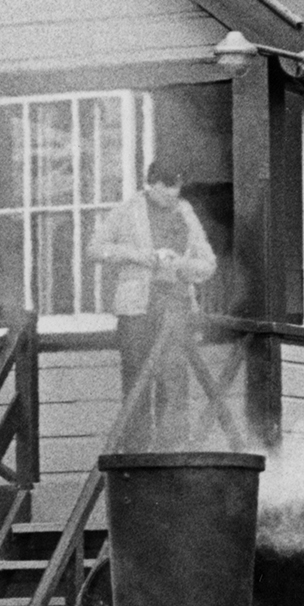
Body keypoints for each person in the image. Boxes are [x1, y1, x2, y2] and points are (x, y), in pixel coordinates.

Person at [88, 158, 217, 431]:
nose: (173, 192)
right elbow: (95, 249)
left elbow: (208, 264)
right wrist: (144, 257)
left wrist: (180, 265)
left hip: (177, 307)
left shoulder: (186, 213)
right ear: (151, 183)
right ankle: (136, 453)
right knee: (137, 380)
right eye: (167, 186)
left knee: (174, 381)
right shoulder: (126, 211)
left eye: (177, 186)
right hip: (137, 311)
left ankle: (172, 452)